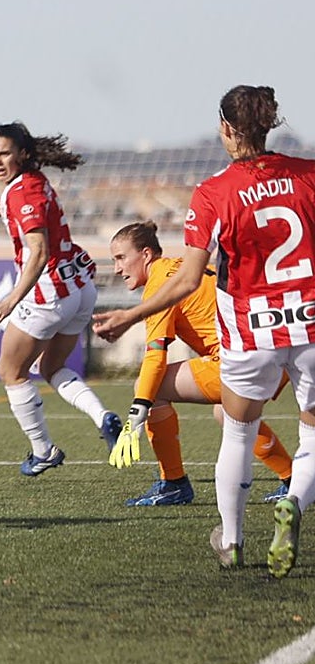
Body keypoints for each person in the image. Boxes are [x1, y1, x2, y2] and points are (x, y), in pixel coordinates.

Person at [94, 85, 315, 578]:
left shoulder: (214, 191)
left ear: (226, 130)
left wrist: (128, 316)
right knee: (314, 435)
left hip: (250, 332)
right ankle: (294, 502)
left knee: (235, 431)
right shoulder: (309, 176)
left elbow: (189, 279)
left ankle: (232, 540)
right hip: (310, 323)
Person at [106, 220, 292, 506]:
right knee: (226, 412)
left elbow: (156, 355)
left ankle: (173, 483)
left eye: (121, 258)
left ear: (145, 254)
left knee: (150, 389)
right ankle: (292, 479)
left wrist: (137, 410)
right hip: (271, 352)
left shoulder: (160, 282)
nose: (117, 269)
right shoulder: (181, 266)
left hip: (238, 360)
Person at [0, 122, 122, 476]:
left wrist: (13, 298)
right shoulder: (33, 181)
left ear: (22, 154)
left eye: (4, 154)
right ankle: (103, 416)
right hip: (80, 287)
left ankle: (43, 451)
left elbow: (39, 251)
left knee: (11, 372)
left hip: (48, 293)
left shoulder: (21, 193)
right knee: (51, 368)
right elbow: (33, 212)